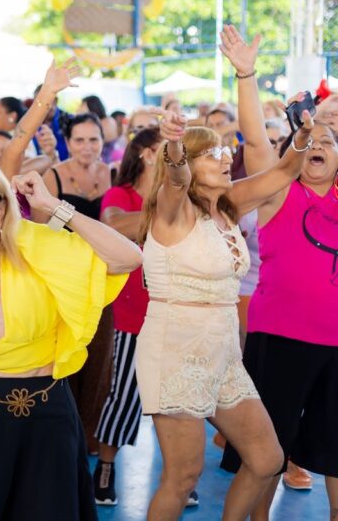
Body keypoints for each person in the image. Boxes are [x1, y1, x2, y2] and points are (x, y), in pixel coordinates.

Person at [0, 156, 140, 520]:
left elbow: (128, 256)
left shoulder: (36, 250)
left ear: (1, 210)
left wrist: (52, 206)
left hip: (46, 429)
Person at [136, 88, 315, 519]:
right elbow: (176, 178)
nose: (223, 157)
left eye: (223, 150)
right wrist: (175, 145)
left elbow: (288, 169)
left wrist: (304, 130)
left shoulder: (229, 204)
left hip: (222, 354)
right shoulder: (171, 209)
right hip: (176, 349)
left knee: (268, 458)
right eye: (211, 152)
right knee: (182, 477)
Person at [216, 26, 338, 519]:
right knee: (265, 457)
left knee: (336, 453)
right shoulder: (280, 192)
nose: (320, 144)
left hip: (336, 345)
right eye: (311, 138)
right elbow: (253, 138)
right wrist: (246, 73)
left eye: (330, 139)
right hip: (280, 338)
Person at [92, 126, 162, 505]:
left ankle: (179, 473)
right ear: (148, 154)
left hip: (175, 311)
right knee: (125, 397)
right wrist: (168, 209)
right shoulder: (122, 195)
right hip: (134, 311)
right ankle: (105, 466)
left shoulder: (182, 197)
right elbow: (113, 227)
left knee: (177, 399)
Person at [43, 111, 114, 450]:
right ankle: (60, 434)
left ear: (104, 142)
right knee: (66, 357)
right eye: (80, 140)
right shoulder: (53, 177)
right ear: (68, 143)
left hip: (105, 278)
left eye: (94, 140)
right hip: (65, 280)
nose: (87, 147)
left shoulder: (113, 174)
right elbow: (44, 233)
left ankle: (90, 435)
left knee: (100, 359)